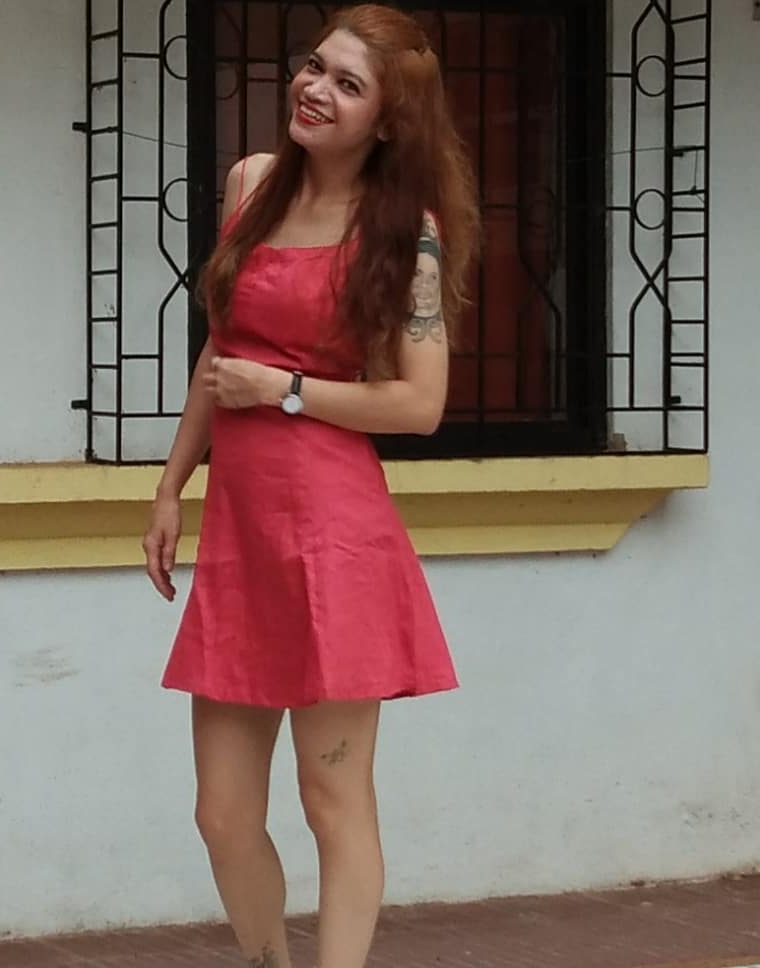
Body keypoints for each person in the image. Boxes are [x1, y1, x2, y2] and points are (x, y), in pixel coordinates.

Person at [142, 4, 479, 967]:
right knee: (221, 814)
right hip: (243, 534)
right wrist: (172, 485)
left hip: (335, 533)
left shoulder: (403, 232)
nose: (314, 88)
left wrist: (284, 390)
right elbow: (221, 349)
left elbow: (418, 404)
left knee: (333, 800)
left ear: (389, 119)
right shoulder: (251, 185)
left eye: (347, 83)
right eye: (313, 66)